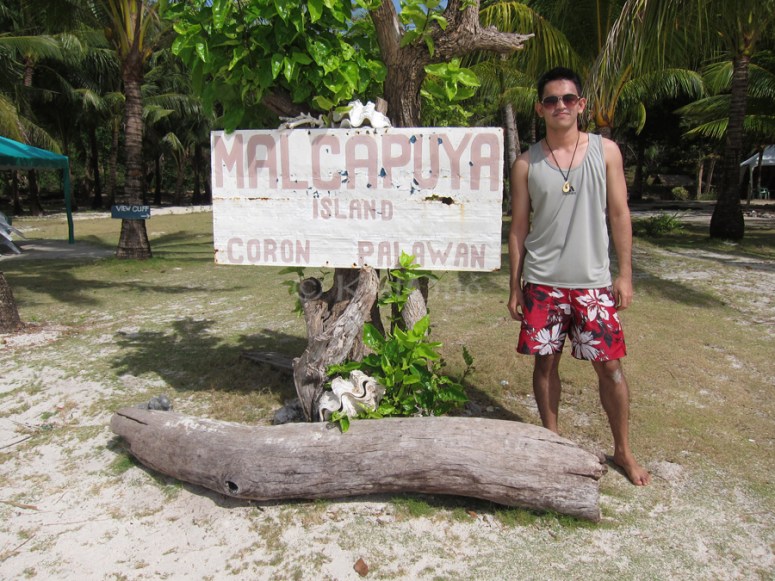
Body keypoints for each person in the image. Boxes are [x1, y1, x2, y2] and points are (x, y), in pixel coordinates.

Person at [507, 67, 650, 486]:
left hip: (593, 284)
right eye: (551, 100)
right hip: (543, 283)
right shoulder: (526, 163)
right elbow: (518, 227)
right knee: (545, 365)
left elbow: (619, 213)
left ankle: (623, 450)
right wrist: (514, 285)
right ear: (540, 108)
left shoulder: (606, 152)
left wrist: (625, 274)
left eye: (568, 98)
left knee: (610, 368)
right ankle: (552, 442)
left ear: (581, 104)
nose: (560, 106)